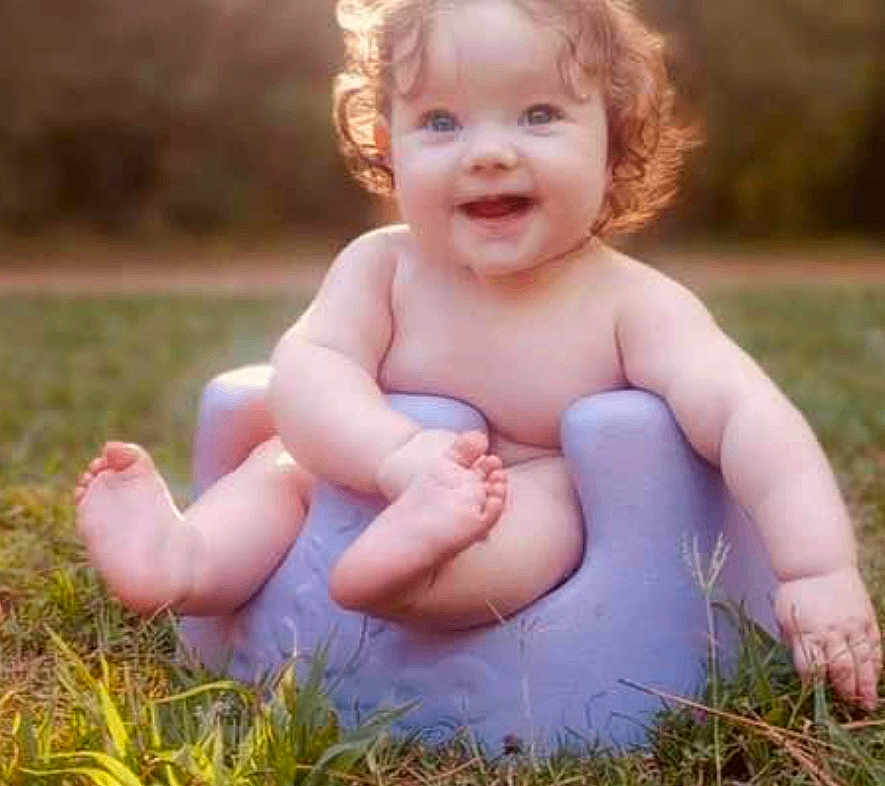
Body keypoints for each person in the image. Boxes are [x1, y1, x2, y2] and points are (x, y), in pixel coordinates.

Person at [76, 0, 882, 710]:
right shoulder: (382, 266)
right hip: (358, 473)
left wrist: (816, 569)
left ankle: (409, 578)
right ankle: (182, 559)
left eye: (537, 114)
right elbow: (309, 369)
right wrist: (394, 455)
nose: (487, 152)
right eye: (440, 122)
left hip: (515, 485)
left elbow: (747, 417)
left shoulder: (633, 306)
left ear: (613, 144)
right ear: (387, 146)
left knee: (548, 517)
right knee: (279, 472)